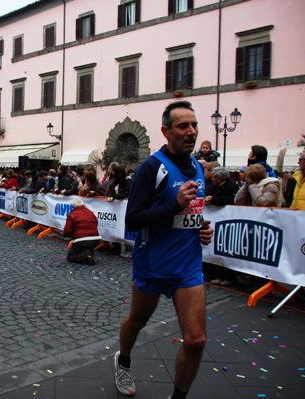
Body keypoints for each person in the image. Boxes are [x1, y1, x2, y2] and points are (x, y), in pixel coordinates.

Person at [116, 101, 213, 399]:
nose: (191, 131)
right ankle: (124, 360)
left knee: (196, 340)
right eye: (183, 126)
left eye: (194, 125)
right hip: (153, 264)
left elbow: (188, 215)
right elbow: (132, 220)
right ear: (166, 131)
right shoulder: (151, 167)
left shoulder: (198, 167)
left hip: (187, 267)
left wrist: (202, 228)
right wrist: (175, 205)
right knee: (137, 322)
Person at [63, 198, 101, 265]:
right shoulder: (90, 212)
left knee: (71, 256)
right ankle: (88, 254)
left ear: (74, 207)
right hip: (96, 239)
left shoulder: (72, 214)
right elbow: (96, 223)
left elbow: (67, 230)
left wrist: (69, 235)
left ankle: (84, 256)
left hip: (81, 239)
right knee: (88, 247)